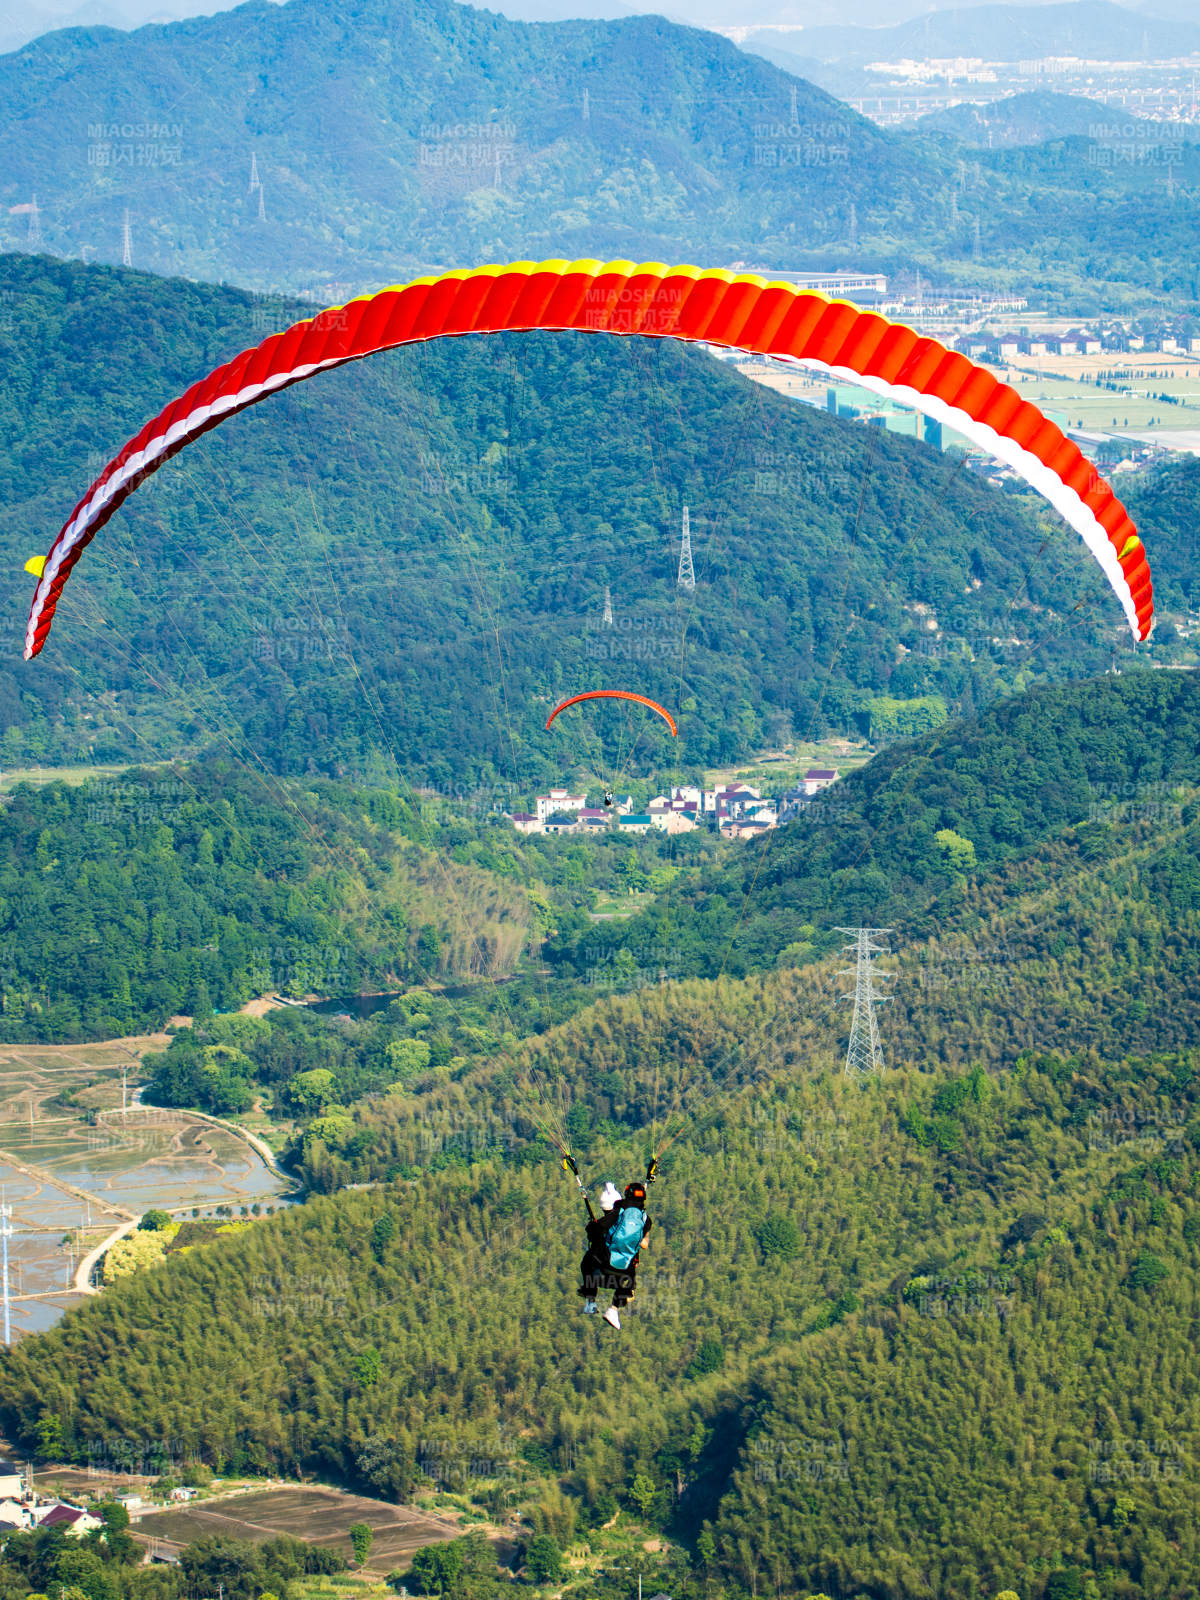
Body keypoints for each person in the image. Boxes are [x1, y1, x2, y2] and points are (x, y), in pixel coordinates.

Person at [579, 1179, 652, 1329]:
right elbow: (642, 1243)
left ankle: (591, 1301)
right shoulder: (646, 1220)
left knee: (587, 1261)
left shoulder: (619, 1212)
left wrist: (591, 1228)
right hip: (625, 1273)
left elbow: (597, 1229)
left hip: (605, 1264)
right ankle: (613, 1310)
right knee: (632, 1270)